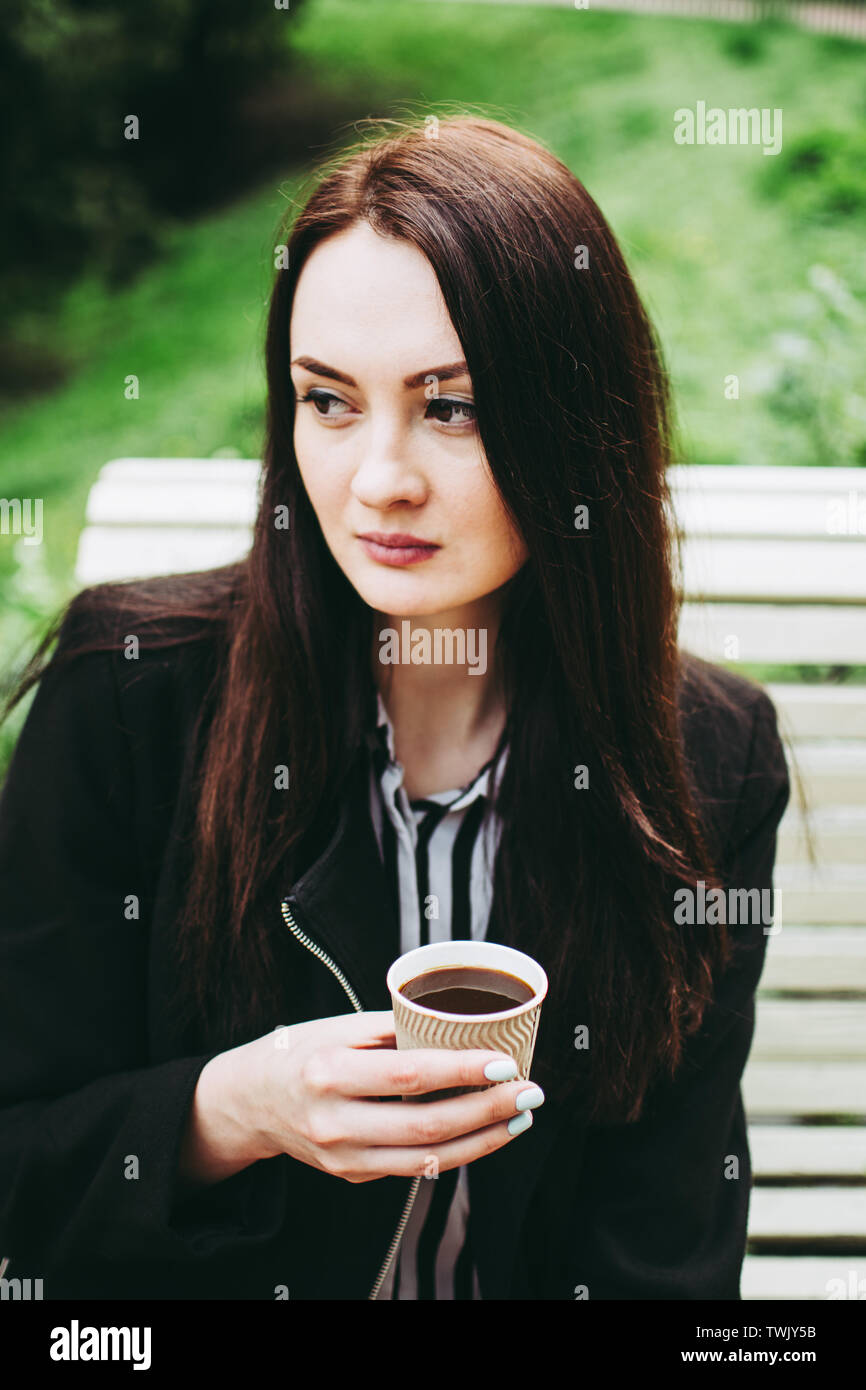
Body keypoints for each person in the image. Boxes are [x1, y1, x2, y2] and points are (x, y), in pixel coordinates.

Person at [0, 114, 790, 1301]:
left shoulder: (701, 757)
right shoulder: (128, 695)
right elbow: (22, 1171)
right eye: (328, 400)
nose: (379, 480)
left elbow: (662, 1249)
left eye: (452, 407)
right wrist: (235, 1110)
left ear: (579, 425)